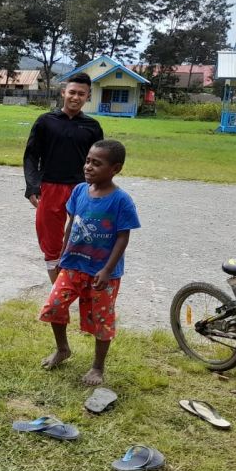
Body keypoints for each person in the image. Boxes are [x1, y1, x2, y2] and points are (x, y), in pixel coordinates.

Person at [38, 139, 140, 386]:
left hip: (102, 274)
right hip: (72, 266)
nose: (88, 167)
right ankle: (63, 349)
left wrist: (107, 270)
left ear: (115, 169)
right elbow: (71, 225)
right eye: (87, 161)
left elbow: (122, 237)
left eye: (97, 163)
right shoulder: (79, 191)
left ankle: (97, 367)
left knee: (101, 321)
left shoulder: (121, 200)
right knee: (54, 307)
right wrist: (62, 257)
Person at [23, 72, 104, 284]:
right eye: (72, 92)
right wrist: (32, 186)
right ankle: (59, 294)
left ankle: (79, 289)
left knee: (85, 242)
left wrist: (100, 190)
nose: (75, 97)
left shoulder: (92, 127)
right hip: (50, 188)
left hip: (83, 190)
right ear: (63, 93)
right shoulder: (45, 122)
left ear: (88, 96)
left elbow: (100, 163)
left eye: (81, 94)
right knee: (51, 245)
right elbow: (31, 156)